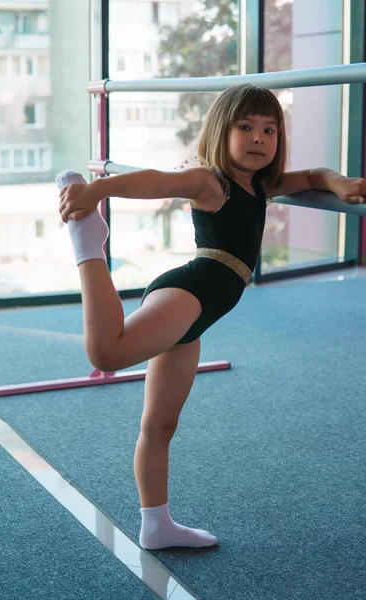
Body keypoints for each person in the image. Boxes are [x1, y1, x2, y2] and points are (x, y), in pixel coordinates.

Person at [56, 84, 366, 551]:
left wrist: (340, 183)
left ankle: (156, 525)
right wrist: (100, 189)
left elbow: (314, 174)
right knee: (108, 352)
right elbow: (158, 180)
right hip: (192, 291)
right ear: (222, 131)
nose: (259, 138)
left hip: (200, 315)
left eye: (269, 129)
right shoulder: (211, 181)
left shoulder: (261, 184)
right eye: (245, 127)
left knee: (160, 424)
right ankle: (87, 244)